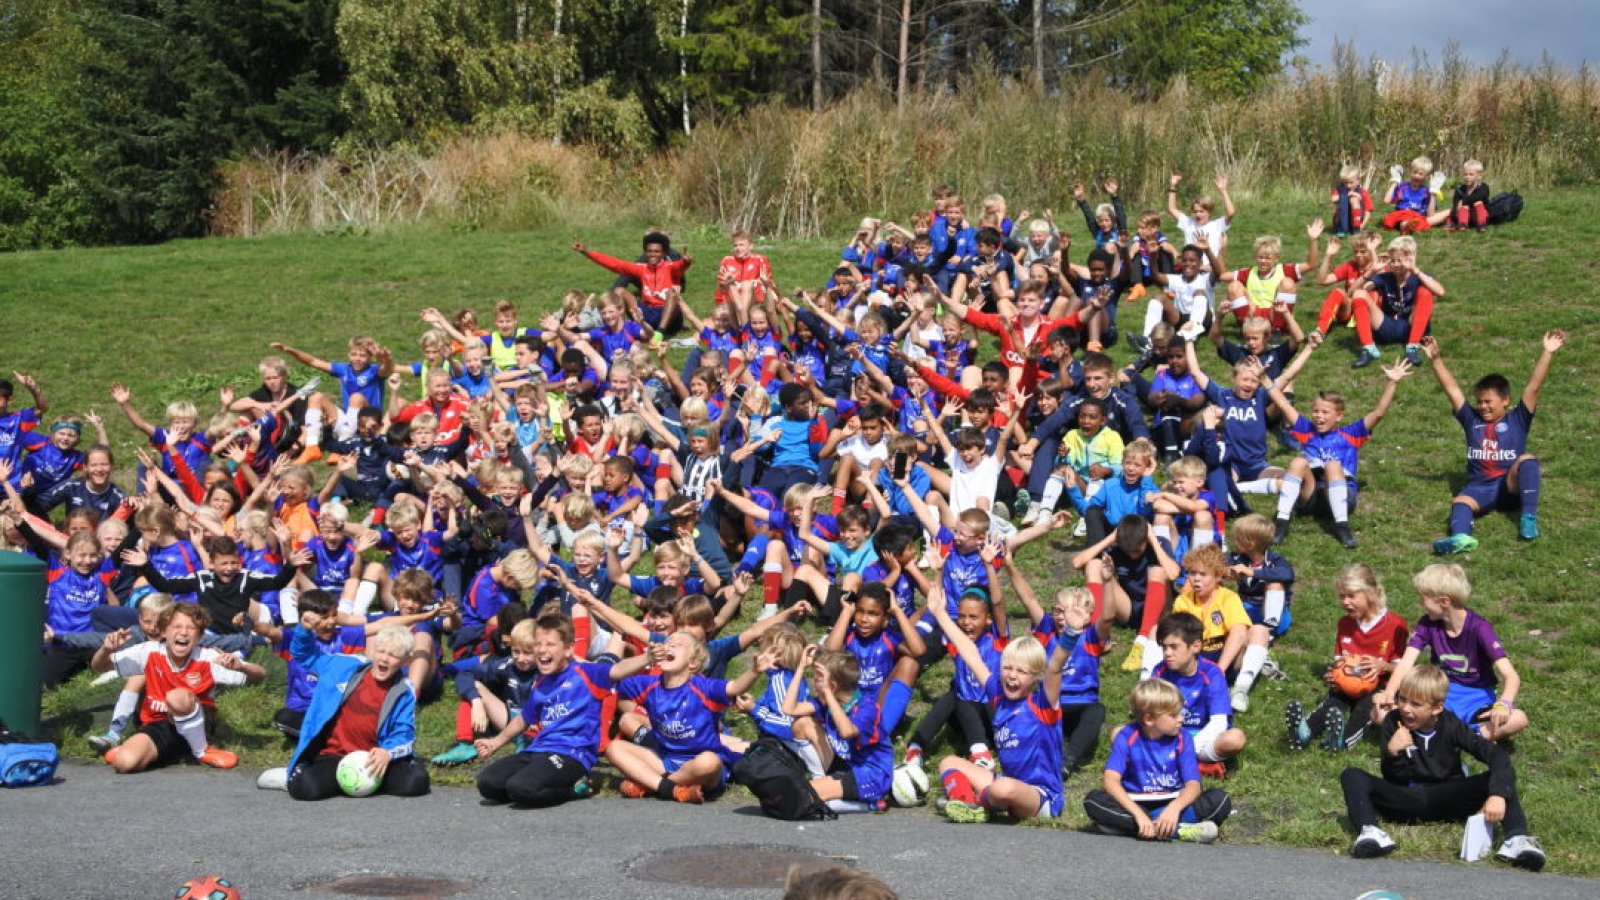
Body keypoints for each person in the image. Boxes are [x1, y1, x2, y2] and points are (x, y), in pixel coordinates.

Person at [1340, 665, 1544, 870]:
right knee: (1352, 775)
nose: (1406, 708)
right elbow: (1395, 778)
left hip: (1449, 797)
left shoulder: (1451, 724)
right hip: (1408, 799)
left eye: (1416, 704)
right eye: (1402, 699)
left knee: (1499, 774)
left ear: (1437, 707)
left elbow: (1496, 755)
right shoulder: (1394, 722)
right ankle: (1370, 832)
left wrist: (1497, 794)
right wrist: (1393, 753)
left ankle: (1517, 840)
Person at [474, 611, 656, 806]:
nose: (542, 650)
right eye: (538, 644)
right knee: (487, 783)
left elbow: (617, 670)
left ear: (569, 649)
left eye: (550, 644)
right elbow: (523, 720)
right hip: (539, 750)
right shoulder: (541, 684)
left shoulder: (586, 673)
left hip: (572, 755)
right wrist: (495, 743)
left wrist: (647, 657)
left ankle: (577, 789)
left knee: (521, 789)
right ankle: (532, 787)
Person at [929, 583, 1073, 823]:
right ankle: (964, 802)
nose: (1012, 675)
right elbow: (969, 652)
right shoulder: (998, 695)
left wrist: (1071, 635)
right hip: (1005, 784)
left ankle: (976, 804)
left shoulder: (1043, 705)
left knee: (1003, 788)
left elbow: (1055, 666)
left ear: (1036, 676)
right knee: (949, 762)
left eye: (1021, 671)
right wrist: (940, 614)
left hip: (1040, 796)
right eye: (1007, 668)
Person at [257, 613, 431, 799]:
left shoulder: (404, 690)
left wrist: (387, 753)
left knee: (417, 781)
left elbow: (404, 732)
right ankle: (298, 775)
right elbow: (305, 656)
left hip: (374, 758)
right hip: (335, 753)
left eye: (393, 655)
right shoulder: (345, 665)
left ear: (405, 661)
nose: (385, 659)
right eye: (381, 652)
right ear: (373, 651)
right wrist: (305, 631)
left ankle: (357, 782)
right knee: (305, 788)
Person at [1420, 330, 1563, 553]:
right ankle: (1461, 538)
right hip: (1479, 488)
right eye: (1479, 401)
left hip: (1509, 486)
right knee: (1460, 502)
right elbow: (1452, 390)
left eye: (1489, 402)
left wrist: (1547, 352)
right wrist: (1436, 359)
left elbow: (1533, 386)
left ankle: (1528, 519)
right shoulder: (1471, 419)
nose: (1483, 406)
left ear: (1506, 400)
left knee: (1527, 459)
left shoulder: (1519, 418)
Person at [90, 603, 265, 772]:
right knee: (123, 763)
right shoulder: (148, 651)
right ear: (164, 631)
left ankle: (201, 750)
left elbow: (260, 675)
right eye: (177, 626)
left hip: (199, 723)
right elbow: (100, 666)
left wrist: (241, 667)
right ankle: (162, 752)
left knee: (176, 697)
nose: (183, 632)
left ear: (200, 636)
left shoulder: (208, 657)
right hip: (159, 724)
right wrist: (106, 649)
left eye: (191, 628)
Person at [1269, 353, 1412, 549]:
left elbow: (1378, 413)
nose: (1318, 416)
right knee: (1297, 462)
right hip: (1311, 496)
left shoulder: (1350, 434)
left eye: (1325, 412)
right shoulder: (1307, 430)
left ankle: (1342, 526)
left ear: (1338, 416)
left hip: (1341, 496)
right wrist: (1263, 379)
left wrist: (1392, 383)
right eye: (1316, 411)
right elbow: (1283, 404)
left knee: (1333, 465)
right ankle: (1282, 522)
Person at [1374, 564, 1529, 742]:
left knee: (1518, 718)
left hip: (1475, 699)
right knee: (1379, 713)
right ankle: (1457, 736)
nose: (1420, 604)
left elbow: (1511, 675)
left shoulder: (1480, 628)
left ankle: (1454, 737)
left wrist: (1504, 704)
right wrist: (1389, 692)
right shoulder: (1427, 624)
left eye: (1423, 599)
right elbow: (1405, 664)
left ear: (1444, 602)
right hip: (1438, 694)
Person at [606, 631, 761, 803]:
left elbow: (734, 688)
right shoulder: (649, 685)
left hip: (699, 764)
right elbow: (611, 677)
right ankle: (671, 789)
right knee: (615, 748)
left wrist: (755, 670)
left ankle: (651, 785)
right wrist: (646, 659)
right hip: (665, 759)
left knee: (709, 762)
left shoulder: (703, 688)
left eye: (679, 644)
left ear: (693, 663)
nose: (670, 645)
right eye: (668, 642)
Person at [1083, 678, 1232, 842]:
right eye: (1174, 715)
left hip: (1172, 802)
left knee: (1220, 800)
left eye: (1181, 713)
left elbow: (1194, 785)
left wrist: (1173, 809)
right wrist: (1138, 814)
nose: (1181, 719)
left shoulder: (1184, 738)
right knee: (1092, 801)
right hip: (1136, 802)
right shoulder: (1126, 736)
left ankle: (1132, 827)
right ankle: (1178, 831)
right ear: (1149, 719)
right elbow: (1110, 780)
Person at [1285, 563, 1408, 752]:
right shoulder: (1345, 623)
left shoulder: (1395, 625)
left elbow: (1403, 669)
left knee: (1365, 708)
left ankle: (1342, 740)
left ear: (1371, 593)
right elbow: (1340, 662)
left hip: (1380, 685)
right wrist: (1334, 675)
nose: (1345, 602)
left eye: (1351, 596)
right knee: (1332, 703)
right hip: (1349, 685)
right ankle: (1304, 732)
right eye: (1342, 596)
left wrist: (1383, 666)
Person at [782, 645, 895, 813]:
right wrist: (800, 668)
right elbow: (789, 709)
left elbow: (847, 731)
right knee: (802, 723)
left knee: (798, 799)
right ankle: (820, 779)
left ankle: (870, 804)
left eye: (817, 679)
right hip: (844, 765)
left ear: (833, 687)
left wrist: (827, 692)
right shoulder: (829, 701)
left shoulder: (867, 708)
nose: (813, 684)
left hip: (870, 775)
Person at [1152, 612, 1246, 774]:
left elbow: (1219, 723)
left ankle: (1178, 762)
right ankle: (1200, 766)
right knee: (1118, 734)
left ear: (1195, 646)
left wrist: (1187, 749)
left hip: (1202, 739)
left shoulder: (1212, 673)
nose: (1167, 653)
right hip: (1170, 736)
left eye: (1174, 647)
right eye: (1164, 647)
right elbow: (1152, 717)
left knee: (1235, 738)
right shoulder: (1160, 671)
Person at [1349, 235, 1445, 369]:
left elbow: (1441, 292)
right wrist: (1372, 271)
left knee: (1425, 292)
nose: (1395, 265)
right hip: (1387, 326)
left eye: (1400, 260)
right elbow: (1352, 292)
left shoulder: (1419, 277)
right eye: (1392, 261)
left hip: (1412, 327)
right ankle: (1369, 349)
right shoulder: (1385, 278)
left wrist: (1415, 270)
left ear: (1410, 258)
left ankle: (1412, 347)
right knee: (1359, 294)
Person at [1430, 159, 1491, 232]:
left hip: (1480, 215)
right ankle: (1462, 225)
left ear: (1479, 176)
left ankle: (1482, 225)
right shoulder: (1460, 189)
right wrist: (1454, 213)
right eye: (1465, 174)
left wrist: (1463, 201)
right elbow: (1456, 204)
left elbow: (1479, 197)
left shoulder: (1483, 187)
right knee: (1460, 209)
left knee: (1478, 203)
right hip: (1466, 216)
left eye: (1471, 174)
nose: (1467, 177)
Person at [1381, 156, 1437, 234]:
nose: (1416, 176)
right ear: (1410, 172)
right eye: (1414, 172)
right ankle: (1407, 226)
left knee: (1421, 220)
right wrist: (1394, 182)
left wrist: (1433, 194)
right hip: (1401, 213)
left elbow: (1430, 214)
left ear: (1426, 177)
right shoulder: (1402, 187)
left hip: (1416, 216)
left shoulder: (1426, 191)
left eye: (1420, 174)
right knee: (1392, 218)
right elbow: (1386, 200)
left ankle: (1408, 226)